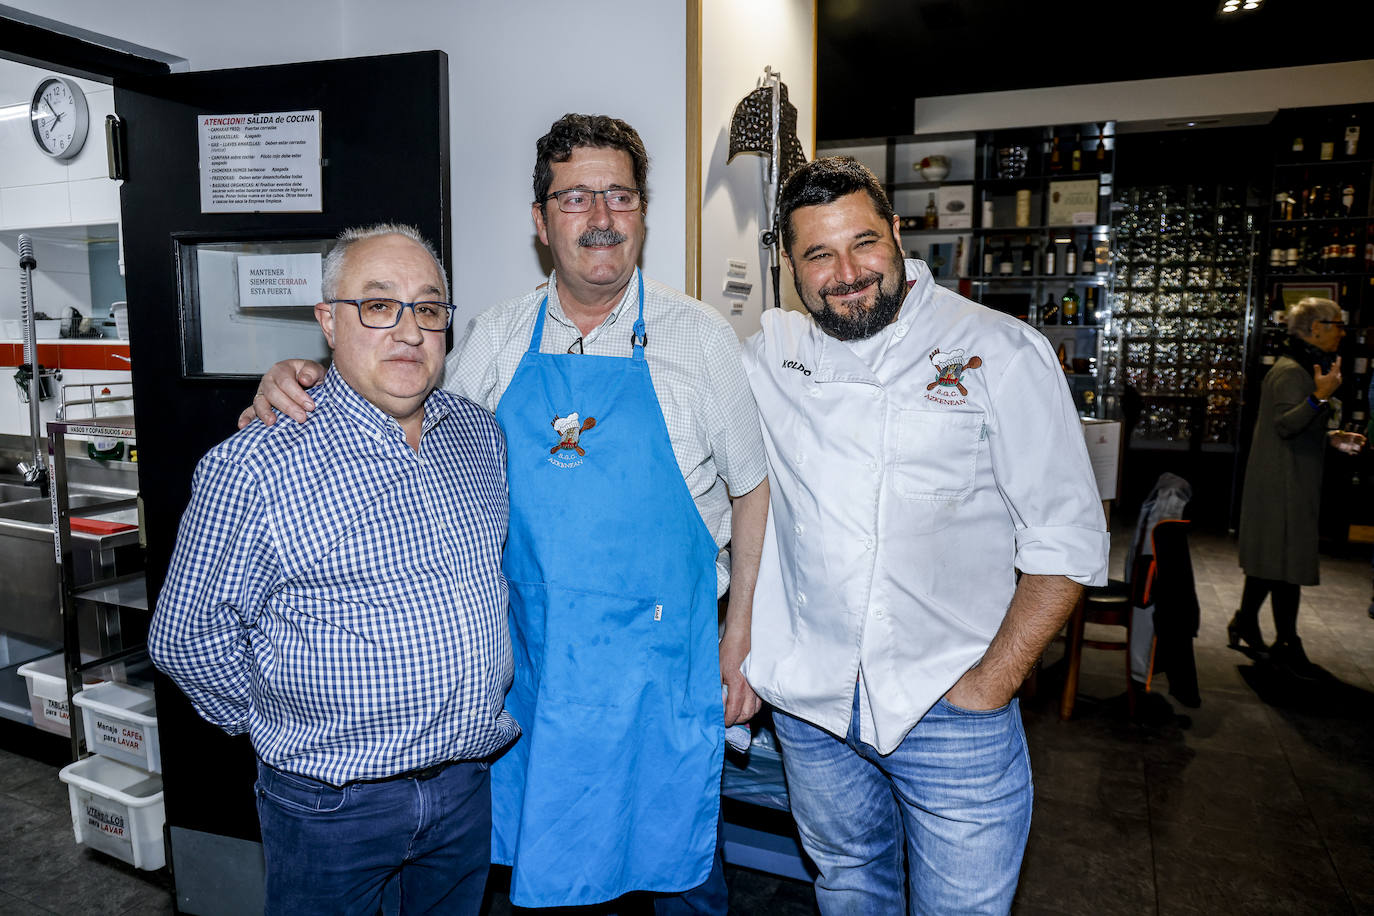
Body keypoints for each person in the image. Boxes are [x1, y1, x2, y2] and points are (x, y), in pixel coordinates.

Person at [242, 114, 769, 912]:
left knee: (681, 877)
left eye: (620, 195)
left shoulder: (701, 339)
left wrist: (741, 637)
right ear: (540, 221)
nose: (601, 217)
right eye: (575, 197)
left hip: (659, 674)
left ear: (643, 212)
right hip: (534, 671)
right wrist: (303, 378)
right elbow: (406, 425)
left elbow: (752, 489)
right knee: (543, 873)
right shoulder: (496, 335)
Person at [740, 157, 1109, 915]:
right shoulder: (771, 354)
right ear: (790, 267)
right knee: (848, 885)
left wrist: (991, 685)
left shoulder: (999, 350)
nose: (848, 274)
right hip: (813, 705)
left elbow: (1067, 540)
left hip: (948, 704)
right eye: (819, 254)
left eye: (864, 243)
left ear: (898, 233)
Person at [149, 225, 516, 915]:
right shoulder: (255, 465)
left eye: (428, 307)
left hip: (464, 787)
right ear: (327, 321)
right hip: (330, 808)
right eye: (378, 306)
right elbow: (185, 637)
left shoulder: (478, 436)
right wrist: (278, 723)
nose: (409, 331)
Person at [1231, 297, 1364, 677]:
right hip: (1282, 484)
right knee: (1286, 564)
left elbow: (1293, 425)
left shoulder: (1299, 367)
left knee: (1273, 562)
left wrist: (1330, 436)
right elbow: (1286, 425)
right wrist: (1320, 396)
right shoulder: (1292, 371)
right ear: (1316, 328)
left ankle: (1246, 622)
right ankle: (1287, 641)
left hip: (1287, 478)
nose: (1342, 332)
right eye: (1337, 324)